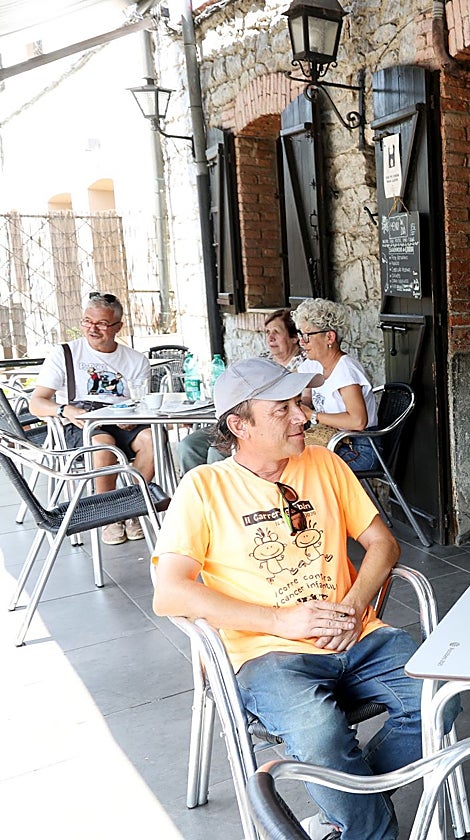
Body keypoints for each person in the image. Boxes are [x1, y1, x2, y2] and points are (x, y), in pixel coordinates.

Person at [152, 357, 438, 840]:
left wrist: (353, 607)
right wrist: (281, 622)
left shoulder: (325, 463)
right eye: (282, 409)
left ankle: (343, 814)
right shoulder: (204, 487)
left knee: (438, 701)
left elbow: (383, 543)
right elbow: (170, 590)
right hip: (267, 653)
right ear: (239, 425)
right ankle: (367, 827)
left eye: (299, 404)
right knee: (319, 735)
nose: (302, 416)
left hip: (358, 635)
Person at [29, 291, 154, 546]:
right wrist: (65, 410)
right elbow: (36, 403)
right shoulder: (64, 354)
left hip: (122, 419)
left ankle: (131, 507)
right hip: (80, 423)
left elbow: (142, 401)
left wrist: (134, 416)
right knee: (104, 445)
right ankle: (108, 515)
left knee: (152, 439)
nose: (92, 329)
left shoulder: (136, 360)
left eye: (101, 323)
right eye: (87, 321)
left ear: (118, 327)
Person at [177, 308, 306, 473]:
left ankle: (227, 495)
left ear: (294, 337)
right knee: (189, 445)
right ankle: (201, 493)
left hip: (266, 427)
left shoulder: (304, 364)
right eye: (267, 332)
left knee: (216, 452)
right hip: (243, 419)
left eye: (276, 332)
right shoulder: (262, 359)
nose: (270, 337)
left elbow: (305, 401)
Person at [294, 298, 380, 472]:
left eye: (307, 336)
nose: (302, 342)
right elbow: (305, 397)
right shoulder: (314, 364)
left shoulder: (345, 370)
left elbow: (358, 421)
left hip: (360, 447)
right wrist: (300, 405)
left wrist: (313, 415)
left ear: (329, 337)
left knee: (305, 470)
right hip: (333, 440)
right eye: (300, 335)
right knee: (289, 460)